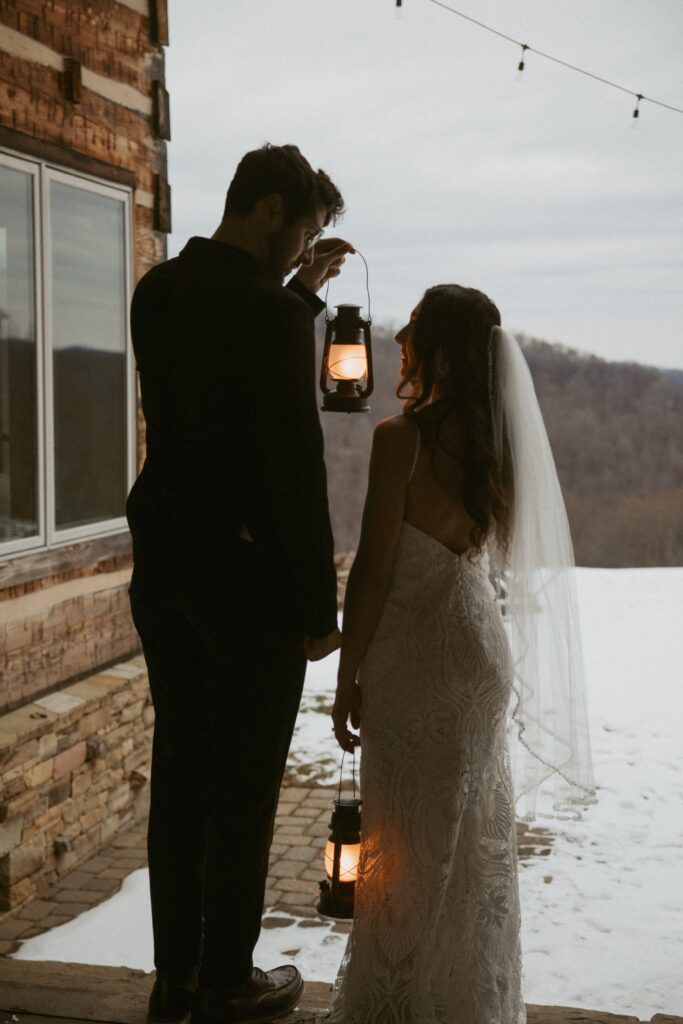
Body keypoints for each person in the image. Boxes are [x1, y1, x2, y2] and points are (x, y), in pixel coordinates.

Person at [126, 144, 352, 1024]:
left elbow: (208, 391)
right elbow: (291, 470)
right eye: (298, 230)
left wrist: (296, 297)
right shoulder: (266, 315)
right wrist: (316, 609)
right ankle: (228, 980)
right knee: (247, 784)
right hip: (248, 588)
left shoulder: (161, 291)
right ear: (266, 210)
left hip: (168, 572)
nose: (300, 246)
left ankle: (174, 978)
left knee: (182, 772)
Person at [329, 284, 595, 1023]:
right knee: (470, 837)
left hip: (415, 658)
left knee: (405, 836)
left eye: (411, 329)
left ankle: (401, 1000)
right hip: (478, 653)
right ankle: (468, 1000)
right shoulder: (497, 445)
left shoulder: (400, 440)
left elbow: (374, 571)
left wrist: (347, 675)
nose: (399, 339)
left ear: (439, 347)